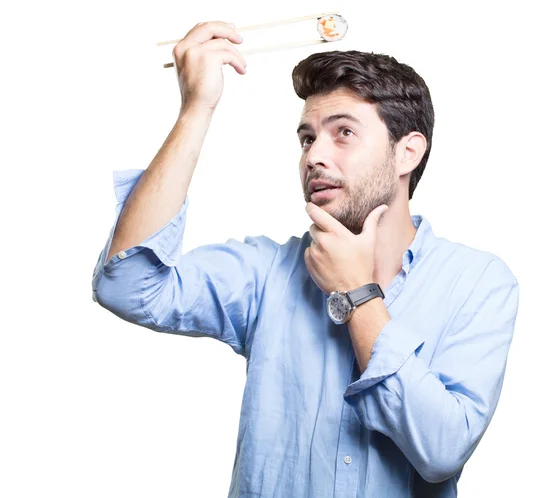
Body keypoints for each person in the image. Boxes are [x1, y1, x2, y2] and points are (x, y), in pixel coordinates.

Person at [92, 21, 520, 498]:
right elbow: (126, 284)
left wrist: (358, 297)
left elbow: (442, 450)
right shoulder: (266, 273)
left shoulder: (479, 282)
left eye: (343, 133)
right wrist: (196, 109)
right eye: (306, 138)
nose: (314, 155)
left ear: (407, 153)